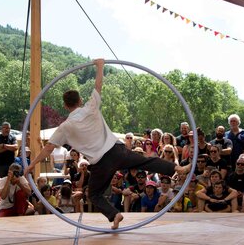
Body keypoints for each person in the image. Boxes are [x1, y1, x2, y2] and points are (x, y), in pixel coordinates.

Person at [25, 59, 189, 229]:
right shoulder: (91, 107)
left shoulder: (65, 127)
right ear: (80, 101)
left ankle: (114, 214)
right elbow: (98, 85)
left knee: (94, 194)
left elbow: (48, 149)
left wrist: (32, 166)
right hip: (117, 151)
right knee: (146, 161)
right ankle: (176, 168)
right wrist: (100, 65)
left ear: (65, 106)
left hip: (101, 163)